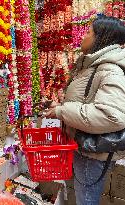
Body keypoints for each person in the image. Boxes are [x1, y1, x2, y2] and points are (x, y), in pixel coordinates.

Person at [45, 16, 125, 205]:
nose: (83, 36)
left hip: (92, 152)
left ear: (101, 37)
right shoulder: (93, 65)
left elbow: (111, 116)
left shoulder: (109, 70)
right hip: (84, 146)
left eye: (88, 32)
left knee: (86, 200)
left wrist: (62, 112)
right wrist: (61, 107)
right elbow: (86, 100)